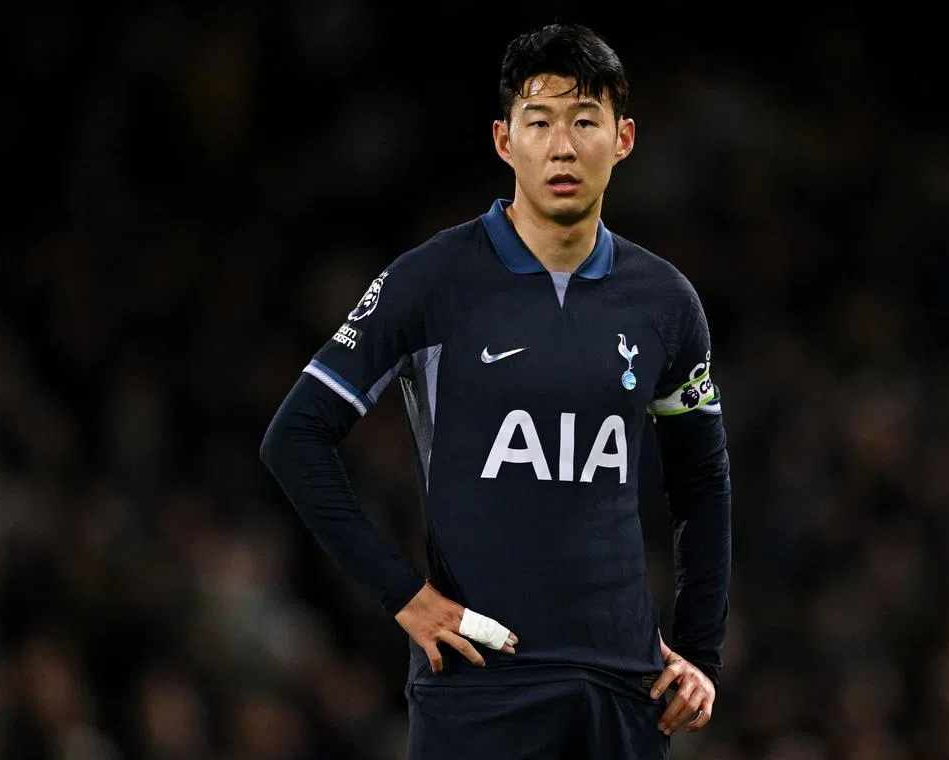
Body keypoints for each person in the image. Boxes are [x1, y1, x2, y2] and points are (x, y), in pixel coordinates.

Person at [261, 22, 732, 759]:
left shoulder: (665, 303)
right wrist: (405, 597)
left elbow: (702, 483)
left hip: (625, 693)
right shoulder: (432, 281)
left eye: (585, 121)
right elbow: (294, 436)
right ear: (504, 141)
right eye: (538, 121)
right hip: (481, 688)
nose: (562, 146)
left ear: (625, 138)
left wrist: (701, 652)